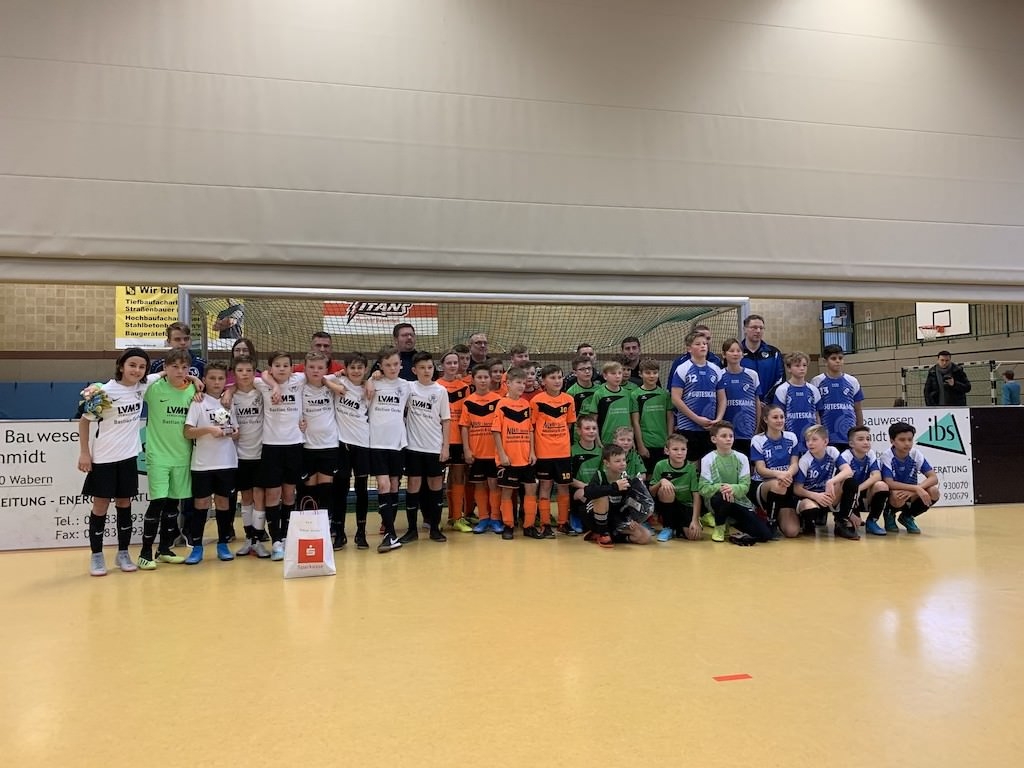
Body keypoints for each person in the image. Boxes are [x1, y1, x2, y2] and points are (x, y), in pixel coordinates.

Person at [77, 348, 153, 576]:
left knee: (124, 504)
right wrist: (84, 453)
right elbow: (84, 422)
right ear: (121, 366)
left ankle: (123, 553)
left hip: (128, 458)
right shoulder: (104, 391)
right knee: (100, 506)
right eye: (132, 365)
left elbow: (167, 373)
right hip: (104, 459)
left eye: (142, 367)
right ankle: (96, 556)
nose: (137, 370)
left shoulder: (142, 387)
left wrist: (194, 379)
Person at [138, 349, 202, 568]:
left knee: (173, 504)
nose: (180, 371)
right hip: (158, 456)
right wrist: (164, 375)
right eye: (174, 367)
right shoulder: (154, 389)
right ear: (165, 368)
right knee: (157, 503)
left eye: (184, 367)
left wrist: (195, 381)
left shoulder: (194, 390)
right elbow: (138, 382)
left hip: (183, 456)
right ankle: (145, 553)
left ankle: (164, 549)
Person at [183, 361, 239, 563]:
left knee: (223, 503)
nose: (216, 382)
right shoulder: (198, 402)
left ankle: (223, 544)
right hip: (203, 464)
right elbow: (188, 432)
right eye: (212, 378)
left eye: (220, 378)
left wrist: (230, 432)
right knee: (201, 503)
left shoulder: (229, 402)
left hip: (226, 462)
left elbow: (236, 432)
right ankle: (197, 547)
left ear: (225, 381)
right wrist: (209, 430)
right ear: (204, 380)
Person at [254, 351, 305, 561]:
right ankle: (275, 541)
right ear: (271, 368)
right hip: (271, 447)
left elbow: (327, 375)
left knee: (290, 494)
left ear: (292, 368)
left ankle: (286, 536)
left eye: (286, 365)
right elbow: (254, 377)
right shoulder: (261, 383)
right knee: (273, 495)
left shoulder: (299, 380)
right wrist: (274, 386)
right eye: (277, 365)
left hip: (294, 446)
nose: (282, 368)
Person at [401, 352, 451, 543]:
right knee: (413, 485)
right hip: (413, 447)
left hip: (434, 447)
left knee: (436, 486)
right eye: (422, 368)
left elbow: (446, 420)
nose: (426, 371)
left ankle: (435, 529)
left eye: (429, 367)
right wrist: (376, 375)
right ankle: (411, 529)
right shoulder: (409, 387)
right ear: (414, 370)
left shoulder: (440, 391)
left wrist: (445, 447)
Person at [698, 421, 773, 545]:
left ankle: (727, 520)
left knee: (764, 535)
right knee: (723, 496)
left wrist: (732, 488)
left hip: (737, 500)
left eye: (731, 436)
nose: (728, 439)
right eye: (724, 436)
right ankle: (719, 527)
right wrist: (722, 487)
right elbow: (703, 488)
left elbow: (745, 486)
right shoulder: (707, 459)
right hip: (717, 500)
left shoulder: (742, 458)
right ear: (714, 439)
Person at [368, 347, 412, 552]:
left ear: (401, 364)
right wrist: (370, 378)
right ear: (380, 366)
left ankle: (389, 528)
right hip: (377, 443)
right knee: (383, 485)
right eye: (388, 365)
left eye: (395, 364)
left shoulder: (406, 385)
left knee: (394, 485)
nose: (392, 368)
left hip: (398, 444)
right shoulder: (373, 384)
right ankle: (390, 535)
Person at [330, 353, 373, 549]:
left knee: (362, 489)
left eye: (360, 368)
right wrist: (336, 379)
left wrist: (371, 380)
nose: (356, 371)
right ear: (346, 369)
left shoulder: (369, 388)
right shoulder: (339, 382)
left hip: (362, 443)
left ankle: (361, 533)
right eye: (352, 367)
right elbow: (321, 378)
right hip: (342, 444)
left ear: (365, 370)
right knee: (340, 489)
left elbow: (380, 376)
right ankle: (339, 533)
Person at [229, 356, 270, 557]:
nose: (244, 374)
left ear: (254, 373)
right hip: (240, 455)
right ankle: (248, 539)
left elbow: (269, 378)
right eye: (240, 370)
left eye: (248, 370)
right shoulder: (230, 397)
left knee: (259, 496)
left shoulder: (261, 391)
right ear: (234, 373)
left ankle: (258, 540)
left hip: (261, 453)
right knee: (245, 497)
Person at [531, 364, 576, 537]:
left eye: (559, 377)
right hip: (544, 452)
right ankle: (545, 524)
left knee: (564, 486)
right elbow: (532, 427)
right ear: (543, 381)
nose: (557, 381)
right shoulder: (537, 401)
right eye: (552, 378)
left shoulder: (568, 399)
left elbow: (569, 424)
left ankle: (563, 522)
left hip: (563, 452)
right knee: (545, 486)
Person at [492, 368, 536, 540]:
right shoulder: (502, 404)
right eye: (518, 382)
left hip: (525, 457)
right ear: (508, 383)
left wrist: (532, 452)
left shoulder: (526, 404)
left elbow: (530, 430)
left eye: (523, 383)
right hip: (509, 459)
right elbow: (496, 431)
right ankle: (508, 525)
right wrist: (502, 455)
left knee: (530, 490)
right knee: (507, 492)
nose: (521, 386)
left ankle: (529, 526)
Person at [297, 352, 341, 521]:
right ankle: (310, 525)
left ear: (326, 369)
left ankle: (326, 525)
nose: (316, 370)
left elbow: (353, 376)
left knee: (326, 488)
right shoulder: (299, 385)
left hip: (329, 445)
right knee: (309, 489)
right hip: (308, 446)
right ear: (305, 368)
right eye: (312, 367)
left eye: (320, 367)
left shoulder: (332, 382)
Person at [582, 444, 653, 548]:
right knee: (602, 496)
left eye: (624, 460)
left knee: (645, 536)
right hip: (594, 518)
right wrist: (614, 487)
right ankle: (602, 533)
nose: (622, 463)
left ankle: (610, 536)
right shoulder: (600, 475)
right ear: (607, 463)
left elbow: (630, 502)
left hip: (615, 519)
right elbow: (588, 492)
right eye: (617, 461)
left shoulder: (626, 479)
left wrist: (633, 519)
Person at [793, 425, 856, 539]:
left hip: (828, 495)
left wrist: (830, 482)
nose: (810, 443)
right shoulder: (805, 460)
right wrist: (816, 496)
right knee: (809, 508)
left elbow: (848, 470)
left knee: (850, 482)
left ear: (825, 441)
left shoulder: (832, 451)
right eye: (807, 440)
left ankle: (842, 522)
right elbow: (797, 489)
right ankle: (807, 522)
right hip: (811, 497)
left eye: (814, 439)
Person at [669, 331, 723, 463]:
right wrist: (697, 419)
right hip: (688, 426)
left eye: (704, 343)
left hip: (710, 427)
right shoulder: (683, 368)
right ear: (689, 348)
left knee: (708, 464)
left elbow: (722, 398)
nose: (703, 346)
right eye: (698, 344)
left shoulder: (715, 369)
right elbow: (675, 399)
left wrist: (718, 420)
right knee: (690, 464)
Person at [461, 364, 503, 534]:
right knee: (479, 486)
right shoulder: (468, 401)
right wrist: (467, 449)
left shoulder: (498, 400)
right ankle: (483, 518)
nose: (483, 380)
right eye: (479, 377)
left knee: (494, 485)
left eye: (486, 377)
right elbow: (465, 427)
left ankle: (495, 518)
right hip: (476, 453)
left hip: (494, 453)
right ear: (473, 380)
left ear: (490, 379)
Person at [880, 421, 941, 534]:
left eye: (910, 439)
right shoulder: (887, 456)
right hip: (895, 493)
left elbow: (933, 478)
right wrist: (915, 488)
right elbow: (889, 483)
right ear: (892, 441)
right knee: (897, 495)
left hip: (911, 492)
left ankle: (907, 516)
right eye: (902, 440)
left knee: (934, 491)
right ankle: (889, 513)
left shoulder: (915, 454)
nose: (907, 443)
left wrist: (917, 489)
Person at [749, 404, 799, 537]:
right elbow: (760, 469)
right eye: (775, 417)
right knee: (778, 484)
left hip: (785, 483)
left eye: (782, 417)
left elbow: (794, 464)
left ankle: (782, 515)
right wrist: (780, 474)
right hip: (763, 485)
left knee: (792, 532)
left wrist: (787, 474)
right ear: (766, 419)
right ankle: (771, 521)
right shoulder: (758, 440)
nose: (780, 420)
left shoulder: (791, 437)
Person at [438, 350, 471, 531]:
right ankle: (435, 518)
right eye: (449, 363)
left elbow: (466, 416)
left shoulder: (464, 387)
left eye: (455, 363)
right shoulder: (436, 386)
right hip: (440, 440)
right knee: (438, 479)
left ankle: (456, 517)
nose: (452, 366)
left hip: (458, 439)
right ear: (442, 365)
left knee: (458, 477)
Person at [649, 434, 702, 542]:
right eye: (675, 449)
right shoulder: (660, 465)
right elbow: (652, 492)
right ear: (667, 451)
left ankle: (677, 528)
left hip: (685, 505)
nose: (679, 453)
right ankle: (668, 527)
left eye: (683, 449)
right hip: (666, 503)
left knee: (694, 536)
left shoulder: (691, 468)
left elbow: (696, 495)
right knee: (666, 490)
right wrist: (661, 481)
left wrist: (695, 520)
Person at [812, 344, 864, 453]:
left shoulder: (852, 381)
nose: (838, 361)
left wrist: (860, 431)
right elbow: (815, 411)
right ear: (825, 361)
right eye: (833, 358)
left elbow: (858, 409)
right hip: (826, 436)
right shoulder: (817, 381)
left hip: (848, 435)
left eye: (840, 358)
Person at [839, 426, 890, 537]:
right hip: (846, 494)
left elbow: (877, 476)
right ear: (851, 444)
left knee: (881, 486)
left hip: (862, 491)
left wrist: (858, 489)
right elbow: (841, 484)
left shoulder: (870, 454)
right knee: (847, 485)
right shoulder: (845, 456)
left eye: (868, 439)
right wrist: (855, 491)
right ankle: (843, 518)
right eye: (861, 439)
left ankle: (872, 521)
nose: (866, 442)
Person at [715, 338, 761, 458]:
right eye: (731, 351)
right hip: (726, 430)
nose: (735, 354)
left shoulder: (752, 375)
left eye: (738, 351)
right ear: (724, 354)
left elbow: (757, 402)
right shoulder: (719, 375)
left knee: (747, 462)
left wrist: (756, 427)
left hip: (747, 429)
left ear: (742, 354)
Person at [772, 351, 821, 453]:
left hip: (810, 440)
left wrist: (818, 435)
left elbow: (817, 415)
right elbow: (779, 416)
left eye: (804, 365)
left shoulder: (813, 390)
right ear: (789, 368)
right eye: (797, 366)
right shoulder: (782, 390)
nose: (802, 368)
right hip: (790, 439)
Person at [630, 359, 672, 475]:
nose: (652, 376)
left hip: (662, 443)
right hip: (646, 443)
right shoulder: (635, 395)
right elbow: (635, 422)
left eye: (655, 372)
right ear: (640, 374)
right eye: (648, 373)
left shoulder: (665, 394)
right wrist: (640, 445)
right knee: (646, 476)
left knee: (662, 475)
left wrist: (669, 441)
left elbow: (670, 418)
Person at [580, 360, 632, 447]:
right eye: (613, 373)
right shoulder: (599, 394)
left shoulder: (628, 394)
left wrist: (632, 440)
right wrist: (598, 441)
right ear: (605, 376)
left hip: (625, 441)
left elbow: (631, 419)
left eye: (619, 373)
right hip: (606, 441)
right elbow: (593, 420)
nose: (617, 376)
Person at [568, 413, 602, 535]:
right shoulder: (572, 451)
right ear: (578, 431)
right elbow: (568, 478)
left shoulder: (601, 452)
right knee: (585, 493)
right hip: (578, 489)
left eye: (594, 428)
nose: (591, 431)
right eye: (587, 428)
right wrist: (586, 486)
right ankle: (575, 514)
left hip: (596, 489)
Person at [740, 314, 785, 400]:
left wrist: (766, 401)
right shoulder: (736, 353)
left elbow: (780, 380)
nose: (758, 331)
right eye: (754, 327)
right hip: (745, 404)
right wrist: (752, 401)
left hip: (769, 405)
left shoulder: (774, 353)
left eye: (761, 328)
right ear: (745, 329)